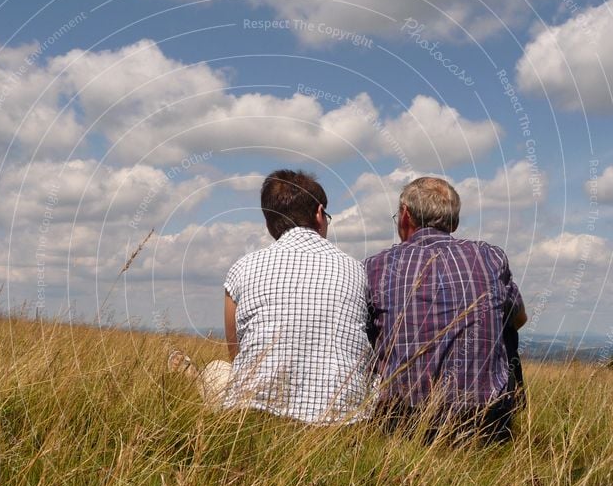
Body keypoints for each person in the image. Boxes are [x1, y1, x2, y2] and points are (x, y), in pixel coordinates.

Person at [169, 169, 374, 423]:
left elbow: (238, 357)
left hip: (256, 418)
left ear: (269, 224)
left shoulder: (242, 269)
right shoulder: (357, 269)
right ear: (320, 214)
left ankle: (197, 377)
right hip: (344, 422)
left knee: (218, 371)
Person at [364, 176, 527, 443]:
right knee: (506, 328)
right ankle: (505, 425)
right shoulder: (489, 256)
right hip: (484, 421)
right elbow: (519, 318)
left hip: (402, 421)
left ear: (405, 216)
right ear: (455, 222)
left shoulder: (376, 266)